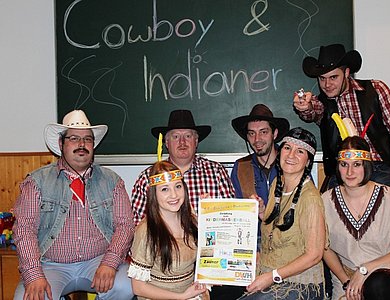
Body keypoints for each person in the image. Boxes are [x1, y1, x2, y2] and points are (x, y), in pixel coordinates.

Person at [13, 110, 135, 299]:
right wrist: (34, 274)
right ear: (61, 144)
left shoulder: (112, 181)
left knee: (127, 285)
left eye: (87, 139)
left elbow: (125, 225)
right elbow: (24, 230)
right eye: (74, 138)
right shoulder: (37, 182)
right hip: (50, 265)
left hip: (98, 261)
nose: (81, 145)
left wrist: (110, 262)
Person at [293, 43, 390, 199]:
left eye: (333, 77)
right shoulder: (321, 102)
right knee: (325, 212)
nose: (327, 84)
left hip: (380, 169)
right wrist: (305, 107)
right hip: (342, 172)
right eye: (322, 79)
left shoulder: (376, 89)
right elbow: (312, 112)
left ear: (346, 72)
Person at [322, 136, 390, 300]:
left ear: (366, 165)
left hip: (388, 273)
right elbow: (324, 248)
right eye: (344, 165)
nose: (350, 172)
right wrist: (347, 283)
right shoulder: (325, 201)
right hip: (346, 277)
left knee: (379, 286)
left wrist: (365, 269)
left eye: (356, 164)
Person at [240, 127, 327, 299]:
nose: (291, 155)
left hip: (299, 283)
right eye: (287, 148)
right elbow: (281, 227)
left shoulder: (310, 198)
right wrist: (262, 212)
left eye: (300, 151)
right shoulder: (276, 185)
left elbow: (315, 254)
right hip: (270, 273)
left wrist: (272, 276)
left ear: (308, 161)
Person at [131, 109, 235, 224]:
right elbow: (137, 224)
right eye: (175, 136)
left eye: (188, 136)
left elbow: (231, 218)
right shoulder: (148, 178)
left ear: (196, 141)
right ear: (166, 142)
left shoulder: (216, 172)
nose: (182, 142)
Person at [127, 161, 208, 299]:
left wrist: (210, 217)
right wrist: (181, 296)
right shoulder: (146, 231)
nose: (174, 195)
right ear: (154, 194)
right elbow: (138, 288)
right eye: (165, 189)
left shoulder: (192, 220)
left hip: (191, 294)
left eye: (178, 186)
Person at [231, 104, 290, 205]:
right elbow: (236, 208)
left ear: (274, 134)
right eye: (252, 133)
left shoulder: (292, 163)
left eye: (263, 132)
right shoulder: (241, 167)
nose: (257, 139)